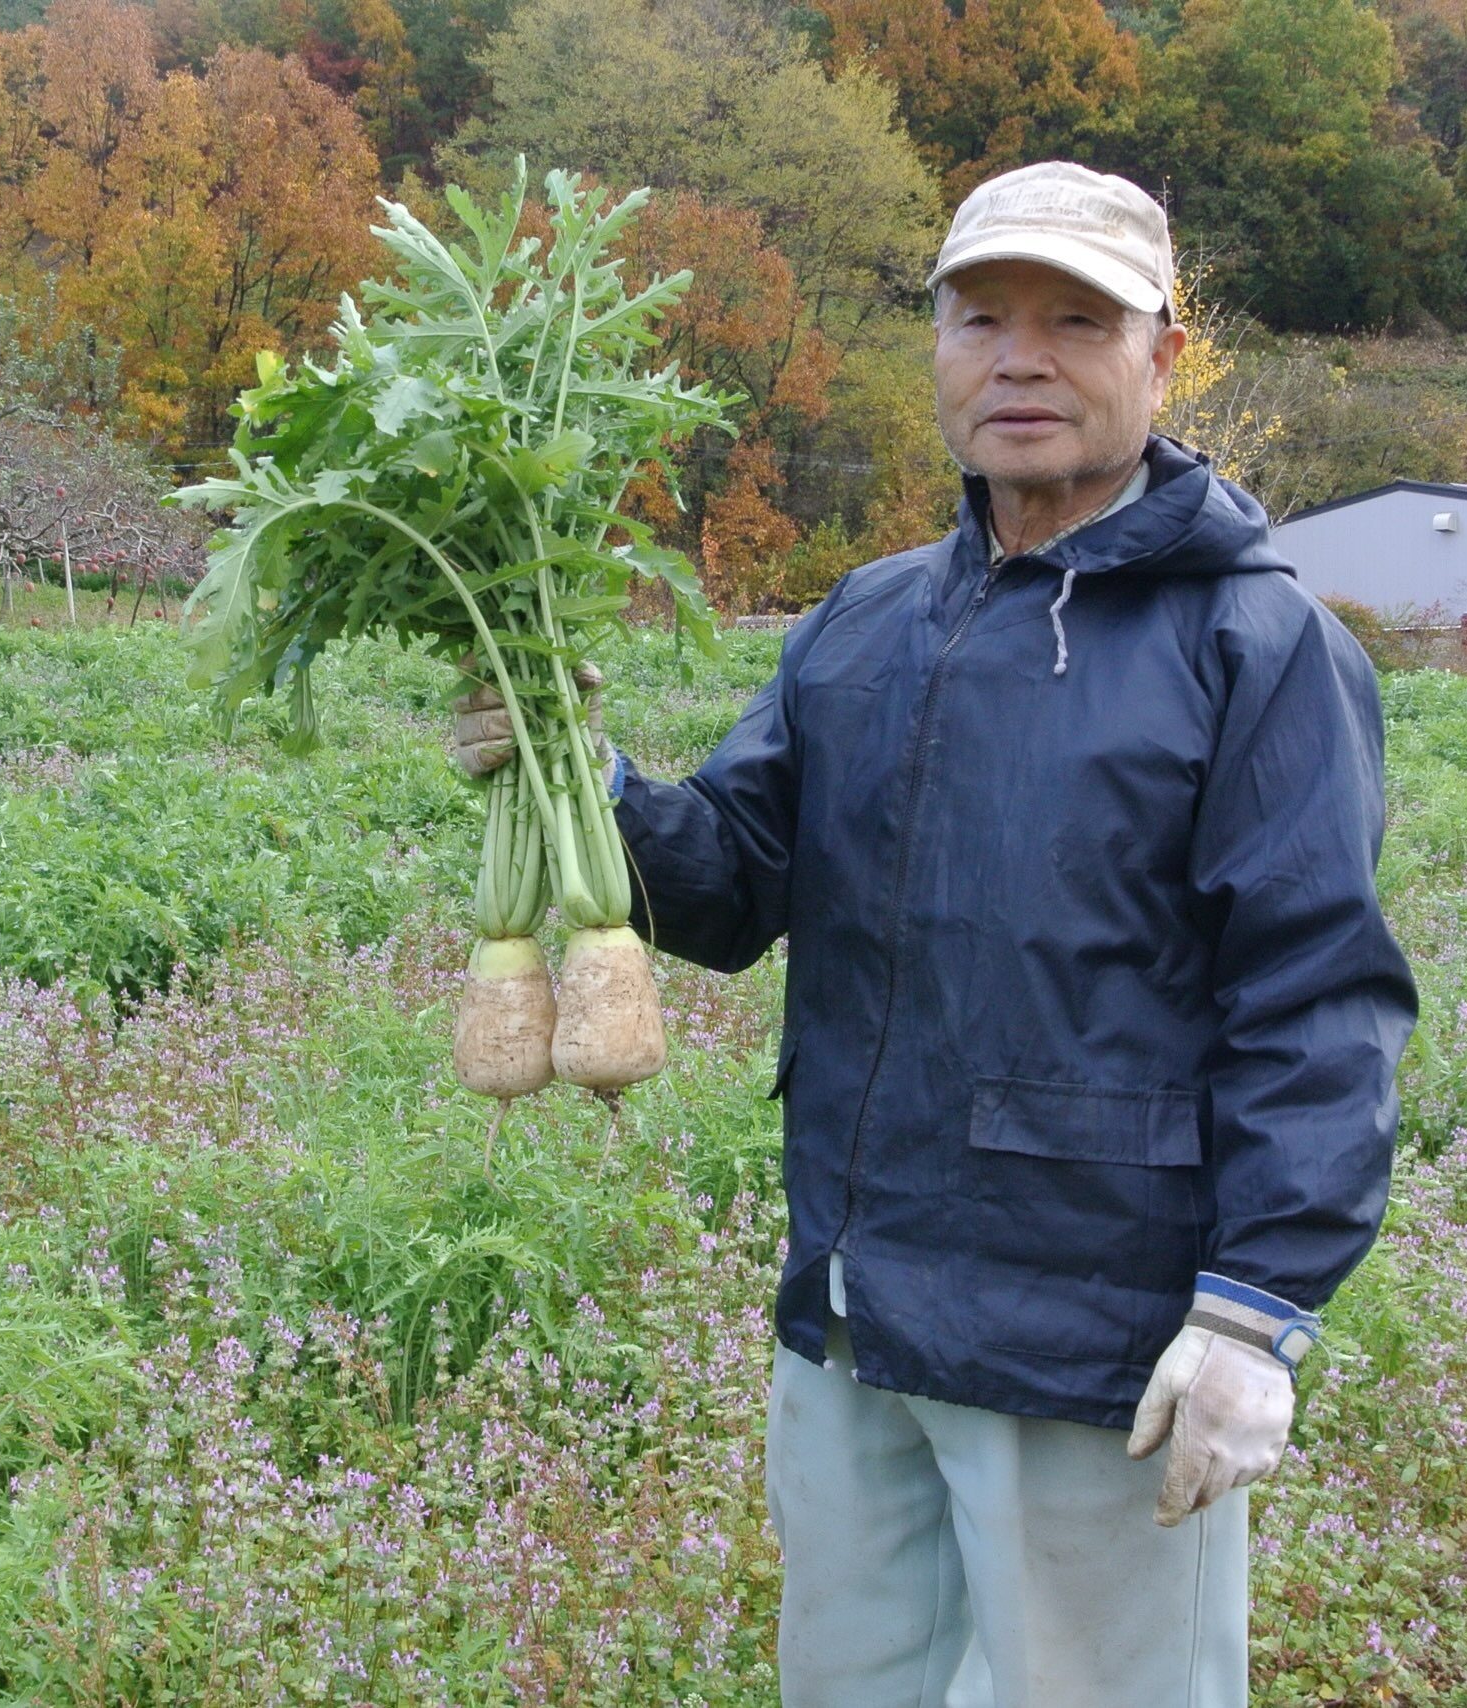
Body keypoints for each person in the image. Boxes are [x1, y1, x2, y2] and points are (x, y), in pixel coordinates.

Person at [453, 161, 1418, 1708]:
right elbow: (733, 885)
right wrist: (594, 778)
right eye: (981, 319)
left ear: (1163, 356)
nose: (1019, 358)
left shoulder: (1258, 644)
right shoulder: (866, 621)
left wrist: (1258, 1315)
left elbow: (1316, 997)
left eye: (1074, 319)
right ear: (939, 352)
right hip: (853, 1306)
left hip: (1093, 1342)